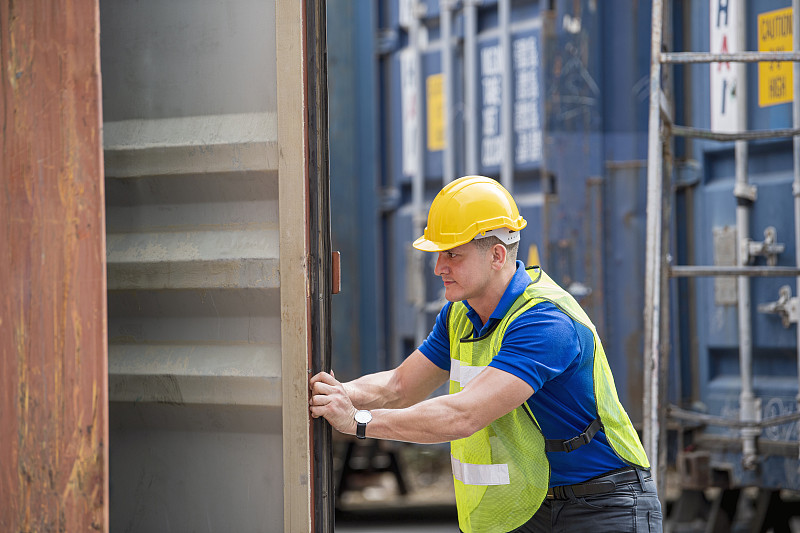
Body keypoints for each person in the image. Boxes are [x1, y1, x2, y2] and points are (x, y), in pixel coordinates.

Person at [309, 175, 663, 532]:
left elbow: (463, 415)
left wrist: (358, 420)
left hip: (605, 505)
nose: (438, 268)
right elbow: (400, 385)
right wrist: (334, 394)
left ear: (496, 255)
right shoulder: (460, 313)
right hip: (533, 505)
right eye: (438, 254)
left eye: (453, 254)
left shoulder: (544, 321)